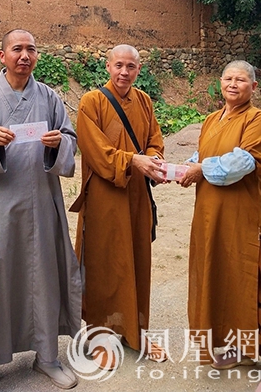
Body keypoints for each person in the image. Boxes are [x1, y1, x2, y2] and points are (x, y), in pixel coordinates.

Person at [0, 29, 81, 392]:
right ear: (2, 55)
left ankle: (48, 357)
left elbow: (70, 139)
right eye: (17, 49)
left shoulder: (49, 97)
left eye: (31, 49)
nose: (25, 55)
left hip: (42, 204)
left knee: (45, 278)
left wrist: (59, 144)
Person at [180, 60, 261, 392]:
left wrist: (200, 169)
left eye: (241, 80)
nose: (233, 84)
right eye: (228, 78)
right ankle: (243, 349)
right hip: (210, 216)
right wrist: (183, 169)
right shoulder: (211, 120)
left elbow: (241, 163)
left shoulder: (258, 120)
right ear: (220, 83)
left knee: (258, 281)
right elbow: (201, 155)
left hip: (243, 217)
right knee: (225, 279)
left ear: (253, 87)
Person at [70, 44, 166, 368]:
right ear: (108, 66)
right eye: (119, 66)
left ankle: (137, 332)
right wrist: (133, 161)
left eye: (131, 67)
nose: (124, 72)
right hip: (105, 197)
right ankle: (100, 337)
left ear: (139, 69)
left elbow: (155, 140)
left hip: (137, 195)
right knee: (102, 265)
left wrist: (155, 162)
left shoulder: (144, 101)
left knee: (137, 261)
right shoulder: (91, 102)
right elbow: (95, 152)